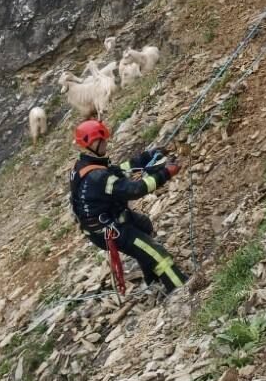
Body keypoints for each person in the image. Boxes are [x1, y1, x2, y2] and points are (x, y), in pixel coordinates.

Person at [69, 119, 188, 294]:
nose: (105, 143)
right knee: (158, 254)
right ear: (91, 144)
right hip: (109, 230)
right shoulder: (98, 176)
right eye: (101, 141)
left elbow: (120, 170)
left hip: (109, 221)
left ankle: (152, 280)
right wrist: (164, 174)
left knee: (144, 226)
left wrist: (147, 156)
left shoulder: (86, 165)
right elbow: (134, 190)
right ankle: (182, 291)